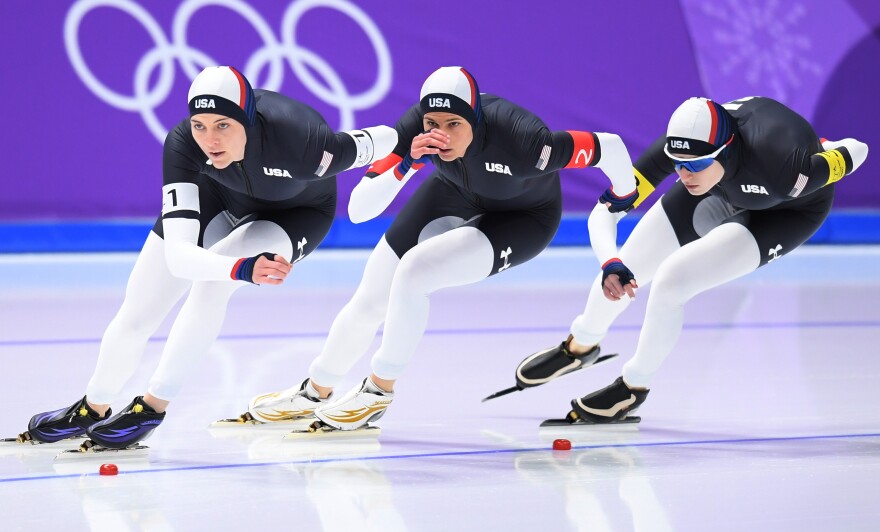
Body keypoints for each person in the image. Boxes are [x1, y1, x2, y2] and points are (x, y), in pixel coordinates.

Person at [243, 66, 639, 431]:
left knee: (416, 272)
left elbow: (609, 146)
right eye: (434, 123)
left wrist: (624, 195)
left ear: (477, 120)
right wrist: (407, 163)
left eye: (455, 124)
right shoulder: (416, 130)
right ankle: (316, 391)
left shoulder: (525, 140)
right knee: (370, 296)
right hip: (455, 192)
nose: (442, 134)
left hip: (523, 217)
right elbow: (359, 210)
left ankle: (378, 391)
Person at [20, 66, 397, 449]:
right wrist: (241, 269)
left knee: (210, 290)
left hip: (294, 214)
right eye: (199, 125)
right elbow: (179, 257)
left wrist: (412, 147)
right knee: (139, 305)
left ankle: (151, 408)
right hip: (218, 194)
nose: (210, 140)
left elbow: (385, 138)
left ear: (248, 122)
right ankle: (93, 406)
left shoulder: (303, 141)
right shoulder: (183, 144)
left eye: (222, 126)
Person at [512, 96, 869, 424]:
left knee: (672, 281)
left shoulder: (790, 172)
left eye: (694, 165)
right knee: (631, 262)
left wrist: (830, 151)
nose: (683, 174)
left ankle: (633, 387)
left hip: (784, 211)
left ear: (725, 151)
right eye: (678, 165)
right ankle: (579, 346)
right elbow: (604, 213)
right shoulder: (686, 156)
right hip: (721, 187)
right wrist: (610, 263)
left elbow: (859, 149)